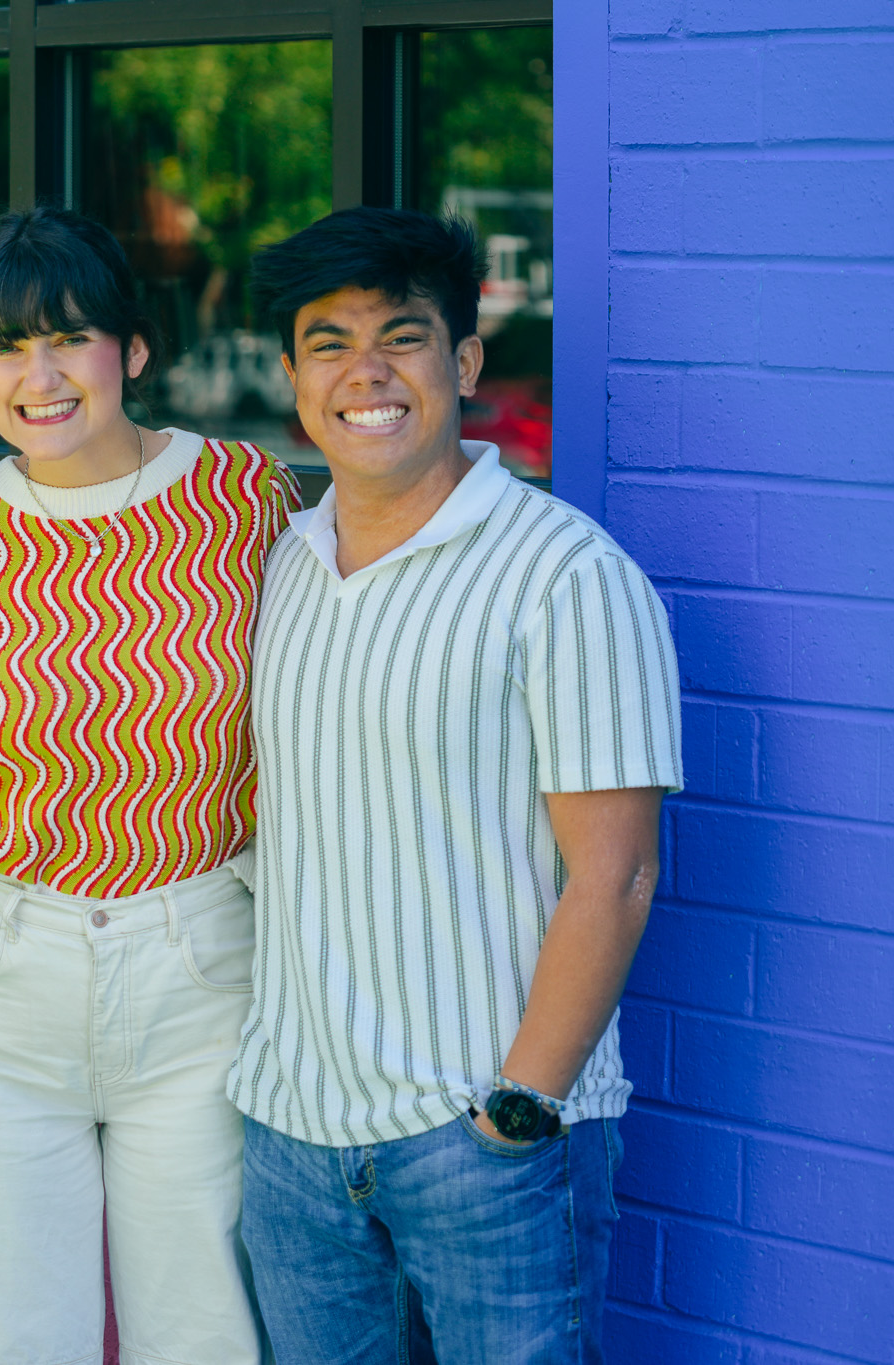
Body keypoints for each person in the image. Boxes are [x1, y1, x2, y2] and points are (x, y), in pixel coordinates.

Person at [228, 206, 682, 1363]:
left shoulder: (565, 575)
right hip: (292, 1135)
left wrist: (515, 1109)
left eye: (402, 336)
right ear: (289, 375)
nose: (364, 373)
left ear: (463, 362)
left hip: (481, 1143)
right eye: (327, 342)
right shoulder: (281, 561)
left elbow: (615, 875)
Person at [0, 205, 299, 1365]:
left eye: (68, 338)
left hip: (203, 967)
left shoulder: (241, 499)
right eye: (7, 348)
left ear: (131, 349)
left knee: (210, 1330)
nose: (39, 375)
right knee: (0, 1338)